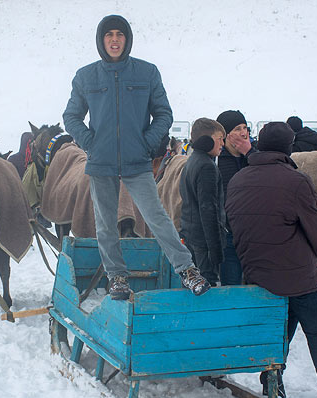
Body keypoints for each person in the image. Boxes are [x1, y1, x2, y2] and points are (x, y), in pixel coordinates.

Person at [62, 14, 210, 299]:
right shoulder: (85, 76)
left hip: (137, 161)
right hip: (101, 162)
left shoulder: (146, 72)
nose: (115, 40)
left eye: (120, 34)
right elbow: (71, 116)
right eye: (109, 35)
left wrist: (148, 142)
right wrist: (90, 143)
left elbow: (163, 113)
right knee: (105, 224)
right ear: (101, 41)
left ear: (127, 40)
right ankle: (117, 277)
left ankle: (186, 270)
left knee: (156, 217)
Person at [225, 122, 317, 398]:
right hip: (298, 274)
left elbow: (234, 226)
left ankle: (271, 380)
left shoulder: (239, 180)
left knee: (283, 324)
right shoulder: (296, 181)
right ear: (288, 148)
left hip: (257, 272)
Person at [179, 118, 226, 286]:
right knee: (208, 285)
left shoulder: (191, 161)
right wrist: (216, 250)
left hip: (191, 235)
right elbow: (208, 209)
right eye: (220, 138)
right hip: (204, 242)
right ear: (207, 140)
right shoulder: (207, 167)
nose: (223, 143)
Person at [215, 109, 254, 285]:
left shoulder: (253, 157)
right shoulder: (217, 161)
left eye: (245, 127)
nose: (243, 132)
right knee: (232, 287)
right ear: (226, 134)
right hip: (229, 235)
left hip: (254, 235)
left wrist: (250, 153)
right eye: (237, 128)